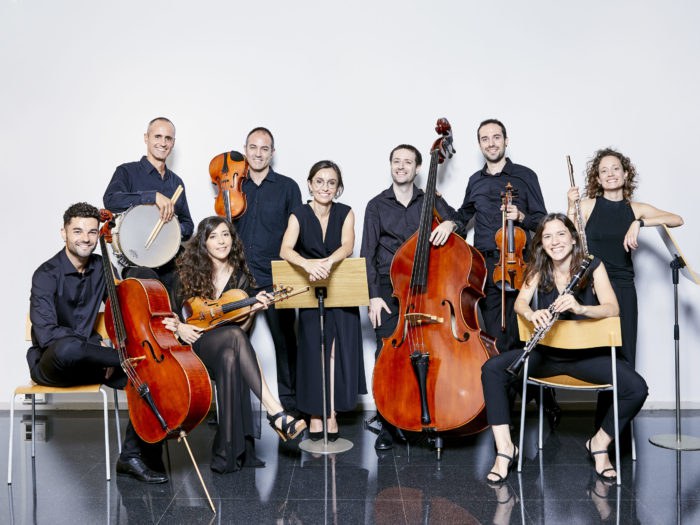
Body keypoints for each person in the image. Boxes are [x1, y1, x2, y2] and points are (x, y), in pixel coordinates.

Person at [480, 213, 648, 483]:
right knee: (492, 369)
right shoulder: (538, 267)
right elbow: (520, 303)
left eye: (560, 234)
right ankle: (505, 450)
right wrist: (531, 314)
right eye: (547, 236)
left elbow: (612, 308)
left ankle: (599, 444)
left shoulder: (592, 265)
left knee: (636, 388)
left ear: (572, 239)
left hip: (586, 357)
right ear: (541, 243)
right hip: (546, 355)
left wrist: (581, 308)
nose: (554, 241)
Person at [27, 202, 168, 484]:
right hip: (54, 365)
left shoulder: (102, 267)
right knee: (69, 347)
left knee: (154, 374)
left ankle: (134, 457)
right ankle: (122, 359)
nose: (86, 238)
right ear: (64, 233)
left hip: (94, 363)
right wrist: (100, 349)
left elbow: (124, 305)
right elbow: (47, 335)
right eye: (78, 231)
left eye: (92, 232)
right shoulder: (45, 274)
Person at [162, 216, 307, 473]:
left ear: (233, 239)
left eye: (225, 235)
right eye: (213, 236)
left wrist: (252, 310)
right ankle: (276, 412)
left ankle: (226, 454)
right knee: (233, 339)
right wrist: (181, 327)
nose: (221, 241)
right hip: (193, 345)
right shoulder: (186, 271)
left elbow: (242, 330)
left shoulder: (240, 277)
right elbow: (169, 313)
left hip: (226, 345)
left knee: (231, 353)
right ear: (204, 242)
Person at [360, 144, 458, 450]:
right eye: (396, 161)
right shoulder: (376, 205)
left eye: (407, 162)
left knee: (432, 354)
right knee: (386, 357)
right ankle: (387, 423)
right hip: (388, 292)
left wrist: (450, 223)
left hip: (426, 290)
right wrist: (373, 297)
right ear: (390, 165)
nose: (401, 166)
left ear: (417, 168)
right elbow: (366, 254)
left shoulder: (431, 200)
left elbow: (459, 220)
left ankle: (429, 416)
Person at [567, 148, 684, 368]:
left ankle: (625, 391)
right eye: (604, 171)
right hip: (591, 285)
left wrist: (639, 223)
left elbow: (677, 219)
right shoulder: (587, 205)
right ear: (598, 179)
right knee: (594, 353)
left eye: (615, 168)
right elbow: (570, 241)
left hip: (623, 286)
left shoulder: (636, 209)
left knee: (625, 351)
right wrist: (570, 206)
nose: (610, 174)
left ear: (626, 174)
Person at [280, 160, 366, 440]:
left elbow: (348, 245)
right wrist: (307, 265)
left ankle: (331, 414)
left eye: (331, 182)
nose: (325, 187)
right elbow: (285, 250)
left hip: (341, 291)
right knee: (314, 352)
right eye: (319, 181)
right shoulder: (298, 214)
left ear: (338, 187)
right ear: (310, 184)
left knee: (335, 354)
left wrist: (328, 262)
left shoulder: (346, 212)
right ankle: (315, 414)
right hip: (310, 292)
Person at [455, 119, 548, 354]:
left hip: (518, 264)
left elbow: (543, 222)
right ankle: (500, 375)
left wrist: (521, 216)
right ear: (479, 144)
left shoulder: (525, 176)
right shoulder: (474, 181)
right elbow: (463, 216)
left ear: (506, 140)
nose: (491, 143)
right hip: (485, 267)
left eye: (496, 137)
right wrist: (445, 217)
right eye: (485, 139)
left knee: (520, 332)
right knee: (494, 333)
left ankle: (521, 377)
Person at [233, 127, 302, 413]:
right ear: (245, 150)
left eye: (264, 148)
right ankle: (232, 406)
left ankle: (292, 407)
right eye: (253, 147)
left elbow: (298, 231)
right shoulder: (234, 186)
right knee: (232, 343)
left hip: (277, 276)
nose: (258, 153)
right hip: (239, 276)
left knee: (285, 344)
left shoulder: (288, 187)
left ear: (272, 152)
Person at [103, 117, 194, 291]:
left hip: (169, 260)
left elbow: (188, 226)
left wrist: (171, 230)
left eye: (168, 138)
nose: (163, 143)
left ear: (173, 143)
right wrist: (152, 196)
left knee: (191, 277)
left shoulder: (176, 183)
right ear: (146, 138)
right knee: (148, 284)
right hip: (136, 261)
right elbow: (111, 200)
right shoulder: (126, 171)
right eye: (157, 136)